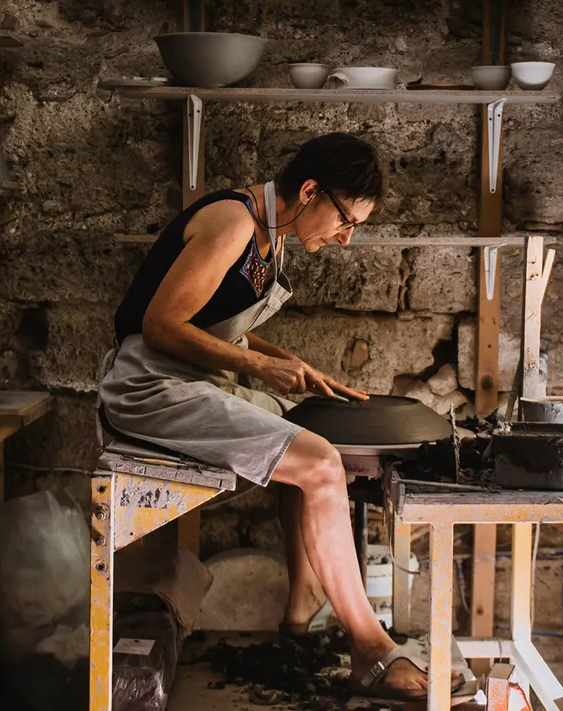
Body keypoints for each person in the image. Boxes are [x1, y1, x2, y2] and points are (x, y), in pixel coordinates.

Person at [99, 132, 463, 703]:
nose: (344, 239)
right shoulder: (234, 222)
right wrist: (256, 368)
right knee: (319, 461)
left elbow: (218, 318)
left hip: (196, 380)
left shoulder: (275, 232)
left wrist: (290, 363)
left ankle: (301, 607)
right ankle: (369, 649)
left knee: (320, 434)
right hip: (149, 386)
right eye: (346, 221)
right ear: (310, 190)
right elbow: (162, 326)